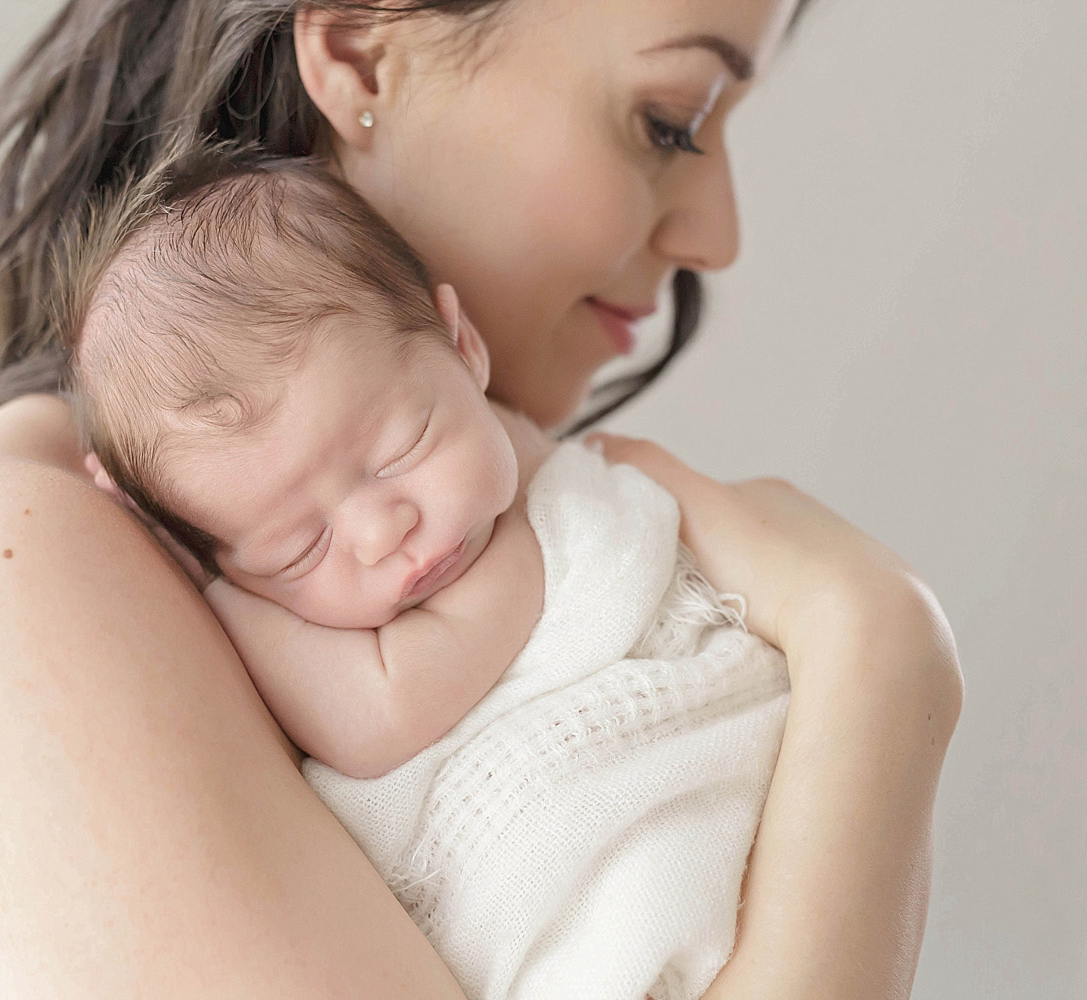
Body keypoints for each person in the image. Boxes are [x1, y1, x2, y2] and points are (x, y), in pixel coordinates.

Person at [0, 1, 964, 998]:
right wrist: (881, 656)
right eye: (667, 119)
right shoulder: (5, 569)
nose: (718, 233)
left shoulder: (481, 510)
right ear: (364, 56)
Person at [59, 150, 793, 999]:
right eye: (298, 547)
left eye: (404, 447)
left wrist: (224, 581)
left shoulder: (546, 523)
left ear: (463, 344)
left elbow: (379, 713)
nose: (381, 532)